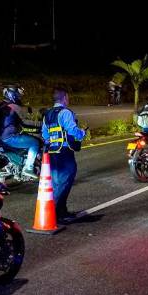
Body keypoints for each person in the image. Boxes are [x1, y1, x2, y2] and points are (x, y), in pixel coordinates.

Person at [42, 87, 87, 223]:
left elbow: (45, 134)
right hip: (64, 152)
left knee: (56, 183)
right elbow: (72, 130)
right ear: (65, 98)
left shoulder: (47, 114)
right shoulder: (65, 113)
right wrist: (82, 133)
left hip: (52, 152)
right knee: (65, 182)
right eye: (67, 97)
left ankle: (61, 211)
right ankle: (57, 214)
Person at [0, 86, 39, 179]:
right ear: (13, 95)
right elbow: (25, 122)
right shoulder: (14, 106)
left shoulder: (2, 105)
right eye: (18, 94)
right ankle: (28, 168)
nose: (20, 97)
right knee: (34, 143)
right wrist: (40, 124)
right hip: (9, 137)